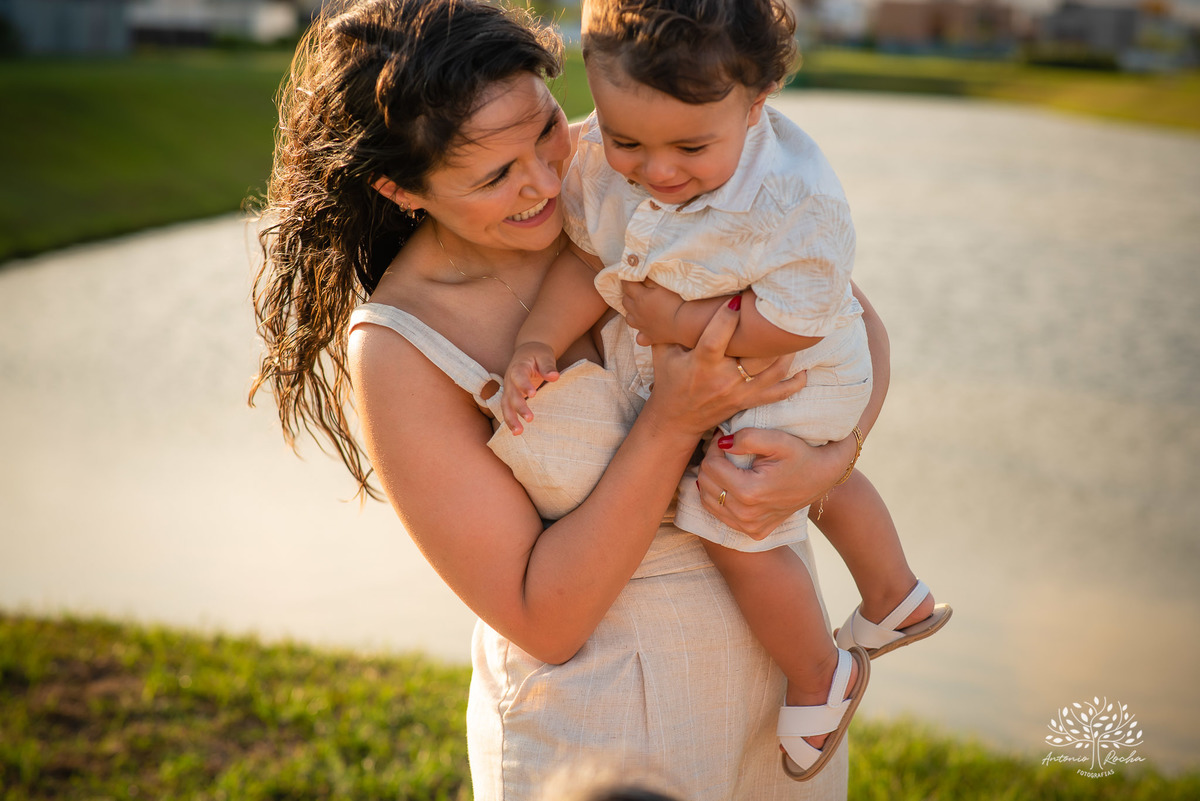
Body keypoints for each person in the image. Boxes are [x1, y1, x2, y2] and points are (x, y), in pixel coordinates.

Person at [250, 0, 890, 798]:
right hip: (602, 738)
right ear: (403, 188)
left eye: (548, 128)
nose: (547, 181)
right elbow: (543, 616)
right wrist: (674, 418)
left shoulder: (629, 159)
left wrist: (832, 459)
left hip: (784, 706)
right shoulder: (402, 346)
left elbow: (848, 320)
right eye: (494, 176)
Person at [499, 0, 950, 781]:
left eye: (691, 146)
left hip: (798, 360)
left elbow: (799, 320)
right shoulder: (601, 166)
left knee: (728, 509)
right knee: (808, 476)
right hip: (755, 370)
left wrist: (677, 316)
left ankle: (821, 673)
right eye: (626, 138)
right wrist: (538, 340)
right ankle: (895, 593)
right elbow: (590, 263)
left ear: (759, 99)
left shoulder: (793, 197)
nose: (657, 170)